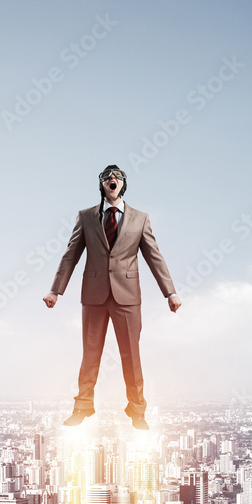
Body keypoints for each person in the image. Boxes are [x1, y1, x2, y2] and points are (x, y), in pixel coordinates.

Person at [43, 165, 181, 430]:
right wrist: (55, 290)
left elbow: (154, 256)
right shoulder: (85, 217)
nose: (112, 180)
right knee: (90, 355)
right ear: (102, 185)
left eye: (117, 177)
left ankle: (137, 411)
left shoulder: (140, 218)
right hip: (94, 297)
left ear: (123, 184)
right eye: (108, 177)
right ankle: (83, 407)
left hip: (128, 298)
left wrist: (170, 293)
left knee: (131, 356)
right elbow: (71, 254)